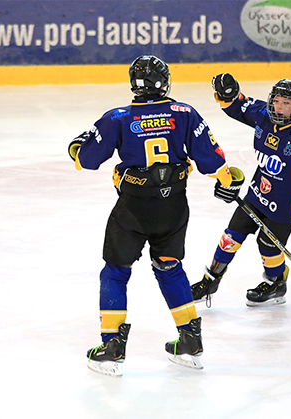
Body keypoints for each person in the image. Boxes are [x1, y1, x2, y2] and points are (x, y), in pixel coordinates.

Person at [67, 56, 244, 376]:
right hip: (174, 206)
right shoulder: (185, 113)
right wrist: (227, 181)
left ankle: (111, 347)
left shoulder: (118, 117)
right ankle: (190, 340)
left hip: (134, 208)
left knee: (115, 272)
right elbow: (214, 164)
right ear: (164, 83)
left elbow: (87, 160)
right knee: (170, 268)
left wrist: (76, 148)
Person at [191, 74, 291, 307]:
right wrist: (227, 93)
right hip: (257, 194)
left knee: (267, 245)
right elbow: (237, 105)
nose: (279, 107)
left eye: (287, 103)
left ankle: (276, 283)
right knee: (230, 236)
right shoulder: (263, 115)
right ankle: (210, 280)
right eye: (277, 101)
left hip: (286, 203)